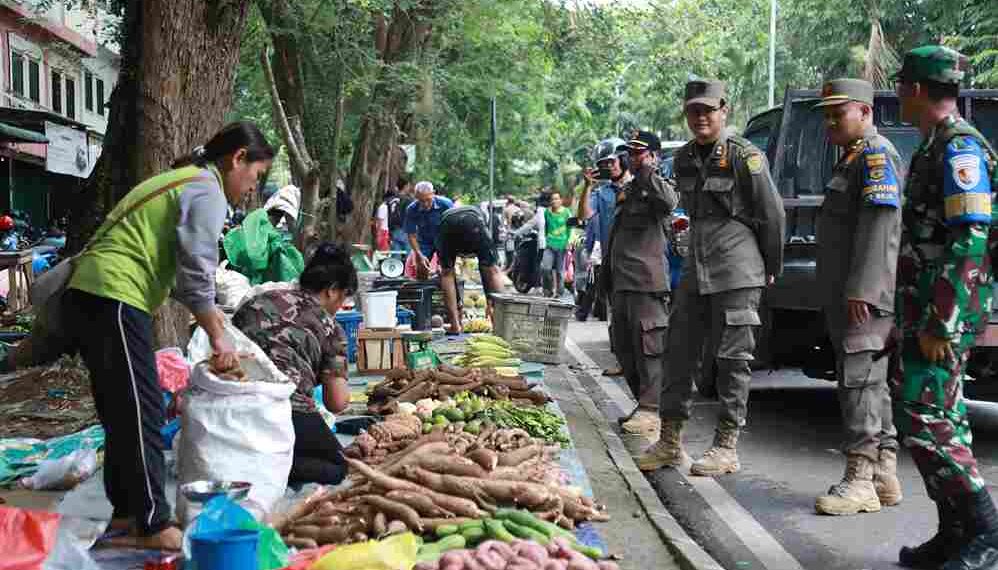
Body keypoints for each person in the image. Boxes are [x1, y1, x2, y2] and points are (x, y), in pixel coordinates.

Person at [63, 121, 275, 550]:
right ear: (238, 159)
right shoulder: (207, 189)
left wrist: (213, 319)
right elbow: (197, 269)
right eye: (255, 176)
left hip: (94, 294)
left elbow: (180, 276)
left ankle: (125, 516)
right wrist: (218, 334)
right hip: (114, 294)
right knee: (143, 411)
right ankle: (152, 523)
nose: (252, 188)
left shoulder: (184, 180)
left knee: (123, 410)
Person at [637, 79, 785, 475]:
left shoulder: (745, 156)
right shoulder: (684, 158)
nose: (701, 117)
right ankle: (670, 440)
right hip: (695, 272)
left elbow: (771, 214)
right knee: (679, 353)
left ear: (724, 111)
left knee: (733, 360)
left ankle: (726, 445)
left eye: (708, 109)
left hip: (737, 269)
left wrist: (771, 267)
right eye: (693, 111)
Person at [891, 46, 998, 570]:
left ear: (914, 89)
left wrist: (942, 322)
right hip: (924, 308)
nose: (897, 93)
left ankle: (986, 532)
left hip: (944, 313)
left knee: (928, 418)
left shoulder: (959, 151)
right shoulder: (935, 146)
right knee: (933, 416)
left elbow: (971, 241)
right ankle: (955, 532)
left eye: (900, 85)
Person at [811, 79, 904, 516]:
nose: (830, 121)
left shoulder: (875, 155)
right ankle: (885, 475)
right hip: (849, 291)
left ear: (865, 113)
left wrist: (863, 289)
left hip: (863, 295)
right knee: (872, 384)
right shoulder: (850, 158)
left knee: (859, 383)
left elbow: (880, 227)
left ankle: (861, 479)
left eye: (839, 112)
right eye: (826, 113)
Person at [233, 244, 356, 486]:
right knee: (340, 468)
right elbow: (337, 402)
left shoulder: (257, 301)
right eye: (344, 297)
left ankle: (249, 461)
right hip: (285, 406)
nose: (340, 306)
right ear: (332, 291)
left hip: (232, 402)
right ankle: (270, 468)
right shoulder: (332, 329)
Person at [600, 131, 678, 439]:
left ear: (654, 156)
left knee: (649, 349)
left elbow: (669, 202)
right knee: (624, 347)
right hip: (621, 282)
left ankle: (651, 410)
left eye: (640, 152)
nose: (633, 157)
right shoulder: (629, 189)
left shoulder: (659, 187)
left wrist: (646, 170)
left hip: (646, 282)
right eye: (630, 153)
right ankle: (643, 406)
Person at [436, 205, 505, 334]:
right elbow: (488, 275)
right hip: (473, 221)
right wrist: (490, 302)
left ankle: (455, 325)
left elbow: (448, 275)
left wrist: (458, 305)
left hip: (447, 223)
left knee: (447, 274)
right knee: (492, 270)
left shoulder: (445, 217)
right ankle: (501, 322)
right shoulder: (481, 220)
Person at [405, 181, 454, 279]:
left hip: (443, 239)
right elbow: (411, 234)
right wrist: (418, 254)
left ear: (433, 193)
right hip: (424, 241)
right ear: (416, 197)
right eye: (421, 201)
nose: (425, 204)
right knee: (421, 267)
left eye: (428, 199)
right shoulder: (411, 209)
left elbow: (453, 227)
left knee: (446, 269)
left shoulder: (446, 204)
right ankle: (423, 291)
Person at [541, 191, 571, 298]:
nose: (554, 201)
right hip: (549, 245)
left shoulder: (567, 212)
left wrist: (569, 242)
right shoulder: (547, 213)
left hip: (562, 246)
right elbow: (546, 227)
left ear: (561, 200)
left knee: (559, 271)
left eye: (557, 199)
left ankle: (559, 293)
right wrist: (546, 238)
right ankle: (547, 290)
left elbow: (570, 228)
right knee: (545, 268)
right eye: (552, 199)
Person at [388, 178, 414, 252]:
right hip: (404, 230)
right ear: (405, 186)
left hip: (392, 230)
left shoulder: (391, 199)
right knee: (408, 255)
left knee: (396, 255)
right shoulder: (408, 200)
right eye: (408, 186)